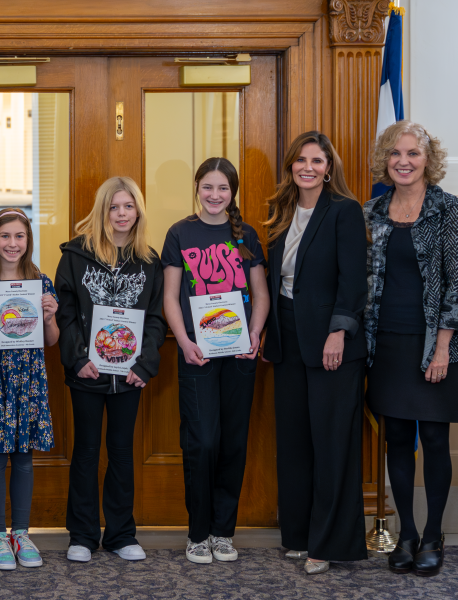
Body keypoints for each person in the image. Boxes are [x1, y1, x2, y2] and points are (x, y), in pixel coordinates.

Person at [364, 121, 458, 577]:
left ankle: (435, 534)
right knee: (397, 438)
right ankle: (408, 533)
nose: (403, 161)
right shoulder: (372, 211)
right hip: (388, 345)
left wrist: (441, 349)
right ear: (385, 158)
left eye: (413, 153)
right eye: (396, 153)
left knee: (434, 438)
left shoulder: (449, 210)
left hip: (439, 344)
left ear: (427, 160)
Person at [261, 131, 369, 574]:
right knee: (294, 441)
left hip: (331, 342)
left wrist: (338, 332)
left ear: (329, 168)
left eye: (318, 161)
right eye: (301, 160)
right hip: (286, 339)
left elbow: (354, 280)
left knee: (331, 442)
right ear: (291, 166)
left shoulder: (345, 211)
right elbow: (275, 281)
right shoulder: (280, 212)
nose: (308, 167)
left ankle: (328, 544)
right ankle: (301, 535)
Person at [161, 157, 269, 565]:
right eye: (208, 187)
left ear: (232, 193)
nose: (214, 195)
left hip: (240, 353)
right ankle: (197, 533)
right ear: (197, 188)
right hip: (198, 355)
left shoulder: (248, 236)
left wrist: (255, 334)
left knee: (232, 443)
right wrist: (184, 341)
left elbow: (260, 295)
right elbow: (170, 297)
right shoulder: (180, 233)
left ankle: (224, 533)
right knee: (202, 442)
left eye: (223, 188)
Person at [54, 176, 166, 563]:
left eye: (129, 206)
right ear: (103, 212)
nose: (122, 214)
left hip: (130, 375)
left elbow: (155, 319)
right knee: (85, 451)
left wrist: (145, 364)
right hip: (86, 373)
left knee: (121, 452)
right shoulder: (75, 256)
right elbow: (65, 315)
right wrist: (78, 358)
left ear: (138, 211)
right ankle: (82, 535)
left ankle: (120, 534)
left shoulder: (150, 261)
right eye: (114, 207)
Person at [0, 208, 60, 570]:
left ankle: (21, 533)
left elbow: (52, 341)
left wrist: (51, 317)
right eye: (5, 236)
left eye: (19, 236)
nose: (12, 243)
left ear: (28, 240)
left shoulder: (43, 283)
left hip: (30, 378)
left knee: (24, 457)